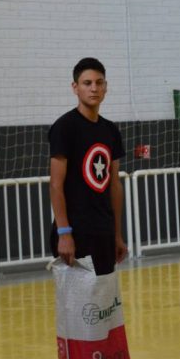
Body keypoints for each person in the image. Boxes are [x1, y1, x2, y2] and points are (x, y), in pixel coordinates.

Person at [49, 57, 127, 274]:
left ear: (106, 87)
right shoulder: (64, 127)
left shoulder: (111, 130)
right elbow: (55, 184)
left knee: (105, 294)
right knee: (77, 296)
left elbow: (114, 184)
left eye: (99, 82)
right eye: (87, 83)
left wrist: (117, 234)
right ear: (75, 87)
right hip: (76, 233)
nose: (94, 88)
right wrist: (64, 233)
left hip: (104, 231)